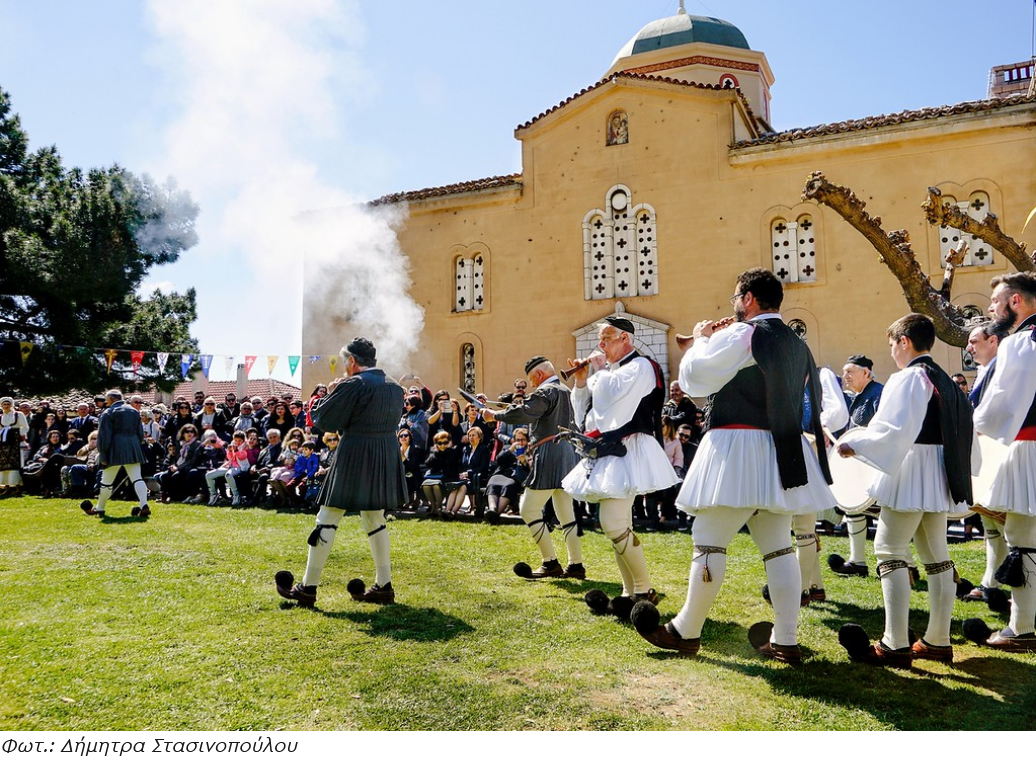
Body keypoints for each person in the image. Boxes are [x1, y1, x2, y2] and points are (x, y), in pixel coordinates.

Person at [635, 268, 835, 663]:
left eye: (736, 299)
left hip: (739, 445)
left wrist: (700, 339)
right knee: (778, 546)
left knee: (708, 538)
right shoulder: (797, 343)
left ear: (748, 299)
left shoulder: (744, 333)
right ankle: (786, 639)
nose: (734, 306)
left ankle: (686, 631)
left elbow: (694, 380)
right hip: (782, 450)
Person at [834, 314, 973, 667]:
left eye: (892, 344)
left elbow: (894, 429)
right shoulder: (943, 378)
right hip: (939, 469)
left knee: (889, 548)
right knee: (936, 555)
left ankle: (894, 644)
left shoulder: (910, 377)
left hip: (911, 466)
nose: (892, 352)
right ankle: (937, 640)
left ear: (904, 341)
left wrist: (855, 445)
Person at [276, 337, 408, 607]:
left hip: (355, 452)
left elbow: (325, 420)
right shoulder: (395, 386)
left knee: (327, 517)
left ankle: (307, 588)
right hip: (385, 451)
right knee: (375, 517)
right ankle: (384, 586)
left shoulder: (353, 383)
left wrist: (330, 393)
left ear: (352, 361)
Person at [563, 316, 677, 607]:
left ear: (625, 338)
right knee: (620, 525)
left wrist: (598, 372)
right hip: (610, 450)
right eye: (600, 340)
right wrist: (581, 383)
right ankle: (630, 592)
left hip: (630, 448)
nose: (601, 345)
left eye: (607, 338)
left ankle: (644, 589)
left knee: (612, 523)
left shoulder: (642, 366)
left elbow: (614, 404)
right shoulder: (610, 372)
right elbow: (586, 417)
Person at [967, 272, 1036, 652]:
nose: (991, 308)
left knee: (1023, 541)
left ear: (1015, 301)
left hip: (1028, 448)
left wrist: (970, 427)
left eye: (996, 301)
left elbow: (1001, 402)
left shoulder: (1020, 342)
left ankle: (1022, 628)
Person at [482, 357, 585, 576]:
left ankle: (550, 563)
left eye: (531, 379)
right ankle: (576, 565)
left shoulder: (545, 391)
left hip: (550, 453)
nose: (531, 384)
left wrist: (494, 415)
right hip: (568, 453)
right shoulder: (565, 391)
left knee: (528, 509)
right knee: (566, 513)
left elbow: (524, 413)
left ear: (539, 375)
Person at [961, 320, 1009, 605]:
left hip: (1001, 455)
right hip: (984, 456)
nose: (969, 347)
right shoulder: (984, 371)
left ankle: (1019, 589)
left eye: (974, 341)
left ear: (993, 341)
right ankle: (991, 582)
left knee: (1009, 525)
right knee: (990, 523)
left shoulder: (1003, 369)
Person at [830, 353, 885, 577]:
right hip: (859, 467)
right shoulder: (858, 397)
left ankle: (901, 565)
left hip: (877, 466)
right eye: (844, 373)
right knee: (854, 509)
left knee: (887, 515)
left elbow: (881, 430)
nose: (845, 377)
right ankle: (857, 562)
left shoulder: (879, 394)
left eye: (850, 372)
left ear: (865, 373)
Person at [82, 390, 152, 519]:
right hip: (133, 445)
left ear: (110, 400)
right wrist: (135, 445)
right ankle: (144, 505)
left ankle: (100, 508)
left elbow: (104, 436)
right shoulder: (134, 411)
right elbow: (140, 434)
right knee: (137, 478)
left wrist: (103, 454)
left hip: (115, 447)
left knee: (106, 482)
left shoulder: (108, 413)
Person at [0, 396, 29, 497]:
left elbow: (25, 427)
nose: (6, 406)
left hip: (16, 443)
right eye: (4, 404)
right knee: (3, 464)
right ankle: (7, 487)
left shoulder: (18, 415)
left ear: (11, 405)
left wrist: (15, 434)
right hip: (3, 444)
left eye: (8, 404)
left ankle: (18, 487)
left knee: (16, 464)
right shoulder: (1, 416)